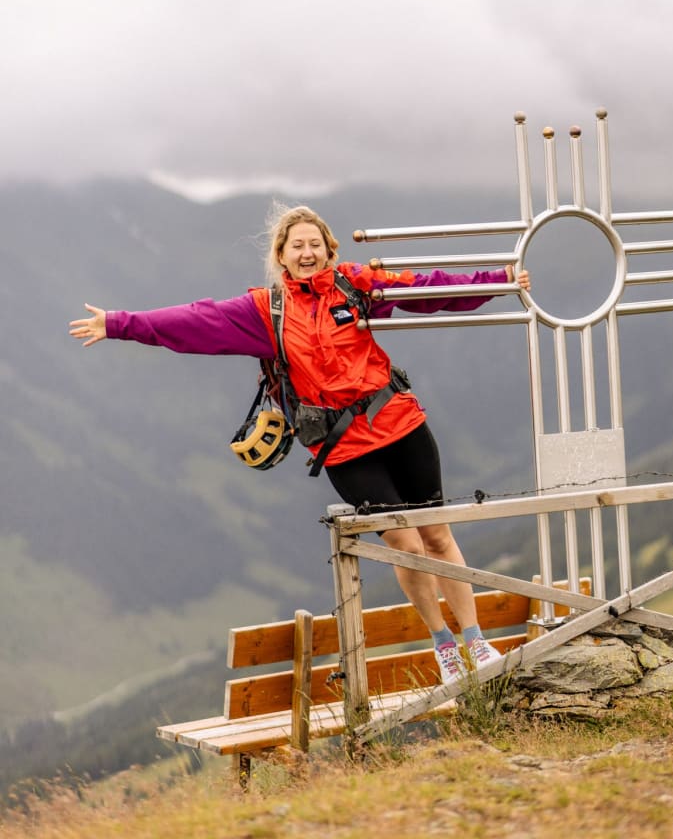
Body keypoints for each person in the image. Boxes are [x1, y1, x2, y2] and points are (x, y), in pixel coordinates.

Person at [70, 204, 531, 685]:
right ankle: (444, 644)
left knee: (437, 537)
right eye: (298, 246)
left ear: (329, 251)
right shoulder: (265, 311)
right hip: (344, 448)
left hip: (400, 424)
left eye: (315, 245)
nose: (307, 253)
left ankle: (476, 640)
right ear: (282, 256)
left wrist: (497, 279)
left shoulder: (356, 283)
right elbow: (193, 321)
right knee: (403, 542)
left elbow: (425, 288)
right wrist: (119, 323)